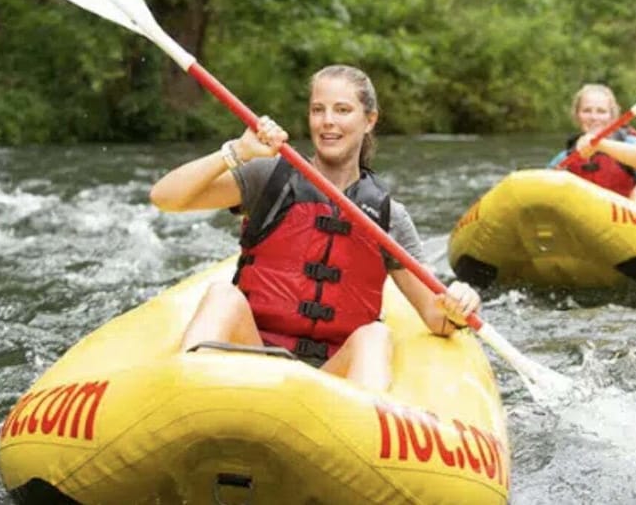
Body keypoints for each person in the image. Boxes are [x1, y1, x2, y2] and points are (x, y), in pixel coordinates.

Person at [150, 64, 480, 392]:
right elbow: (166, 197)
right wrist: (237, 152)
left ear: (369, 120)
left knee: (375, 334)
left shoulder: (388, 216)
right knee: (222, 295)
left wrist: (461, 301)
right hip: (251, 359)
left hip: (331, 384)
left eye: (343, 110)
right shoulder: (268, 177)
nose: (328, 122)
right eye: (318, 110)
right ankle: (188, 390)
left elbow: (437, 317)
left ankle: (362, 426)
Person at [547, 83, 636, 212]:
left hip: (629, 213)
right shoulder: (568, 156)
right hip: (591, 216)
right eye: (586, 111)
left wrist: (601, 145)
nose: (594, 117)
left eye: (601, 111)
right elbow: (544, 183)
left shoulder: (626, 139)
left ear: (612, 116)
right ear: (577, 116)